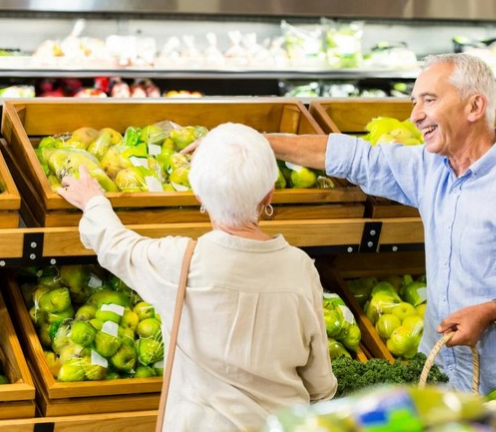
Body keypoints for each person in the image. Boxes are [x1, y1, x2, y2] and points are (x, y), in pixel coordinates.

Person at [260, 53, 496, 393]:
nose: (415, 115)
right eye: (414, 101)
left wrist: (493, 311)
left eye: (429, 100)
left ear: (474, 107)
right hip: (439, 371)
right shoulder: (432, 167)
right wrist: (263, 143)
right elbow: (356, 157)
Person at [57, 123, 337, 431]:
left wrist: (94, 201)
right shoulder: (300, 268)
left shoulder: (181, 262)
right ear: (269, 193)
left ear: (199, 193)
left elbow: (117, 246)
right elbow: (320, 382)